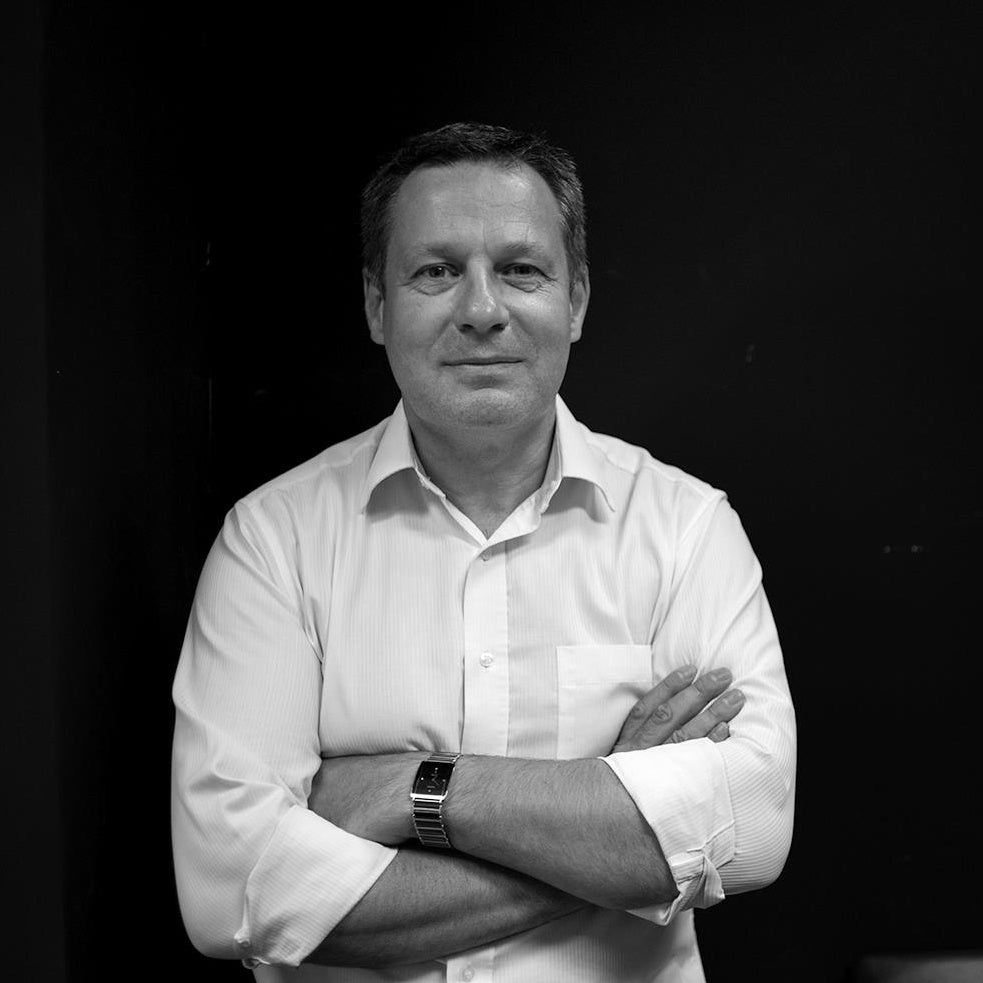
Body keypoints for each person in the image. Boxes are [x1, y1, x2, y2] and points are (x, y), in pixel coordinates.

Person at [171, 122, 796, 982]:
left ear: (575, 301)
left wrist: (408, 789)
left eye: (520, 269)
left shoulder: (686, 527)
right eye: (435, 271)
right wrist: (608, 822)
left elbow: (751, 828)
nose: (481, 309)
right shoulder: (273, 540)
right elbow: (230, 891)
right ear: (376, 305)